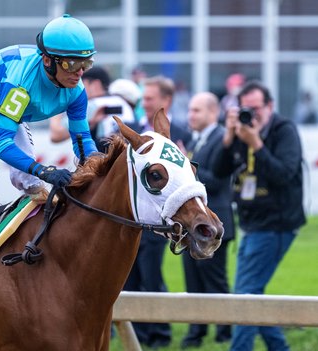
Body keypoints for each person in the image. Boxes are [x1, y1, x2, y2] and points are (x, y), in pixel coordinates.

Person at [0, 14, 98, 280]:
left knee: (26, 177)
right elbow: (2, 145)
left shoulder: (76, 89)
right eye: (71, 63)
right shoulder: (20, 87)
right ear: (48, 60)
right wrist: (45, 171)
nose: (79, 73)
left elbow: (82, 141)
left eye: (86, 63)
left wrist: (98, 165)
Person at [212, 80, 306, 351]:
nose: (252, 115)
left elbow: (283, 175)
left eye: (257, 108)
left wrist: (257, 144)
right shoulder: (240, 132)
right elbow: (219, 172)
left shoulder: (283, 131)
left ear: (270, 106)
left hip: (277, 224)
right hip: (252, 224)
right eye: (246, 109)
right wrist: (229, 139)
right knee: (252, 294)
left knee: (244, 298)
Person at [123, 75, 192, 349]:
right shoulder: (135, 131)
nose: (144, 103)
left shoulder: (183, 134)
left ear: (166, 101)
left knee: (151, 276)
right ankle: (137, 333)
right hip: (132, 220)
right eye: (143, 98)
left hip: (160, 221)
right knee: (131, 276)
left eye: (149, 98)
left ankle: (160, 334)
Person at [180, 92, 235, 349]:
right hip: (194, 224)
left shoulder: (222, 139)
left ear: (213, 113)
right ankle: (196, 331)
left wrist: (185, 164)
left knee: (214, 281)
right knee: (193, 281)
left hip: (215, 222)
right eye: (190, 110)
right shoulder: (196, 139)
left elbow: (218, 180)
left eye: (197, 110)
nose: (191, 115)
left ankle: (225, 332)